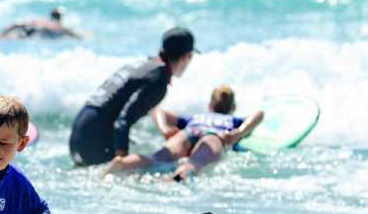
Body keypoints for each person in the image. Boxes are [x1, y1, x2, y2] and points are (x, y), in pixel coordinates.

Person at [69, 27, 198, 166]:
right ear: (185, 57)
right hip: (94, 137)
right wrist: (123, 160)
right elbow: (122, 122)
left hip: (79, 132)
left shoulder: (142, 65)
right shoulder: (158, 80)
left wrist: (164, 128)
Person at [104, 85, 264, 181]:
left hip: (190, 130)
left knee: (156, 159)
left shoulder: (196, 117)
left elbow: (158, 110)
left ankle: (123, 163)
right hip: (213, 137)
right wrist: (240, 132)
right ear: (232, 107)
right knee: (194, 164)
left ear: (210, 105)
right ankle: (173, 179)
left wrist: (165, 129)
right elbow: (259, 114)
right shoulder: (232, 121)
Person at [0, 8, 81, 40]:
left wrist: (4, 33)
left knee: (18, 34)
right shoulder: (60, 27)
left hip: (33, 30)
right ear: (60, 18)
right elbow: (73, 35)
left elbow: (19, 24)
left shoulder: (45, 21)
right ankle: (0, 35)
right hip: (37, 32)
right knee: (21, 35)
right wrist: (81, 37)